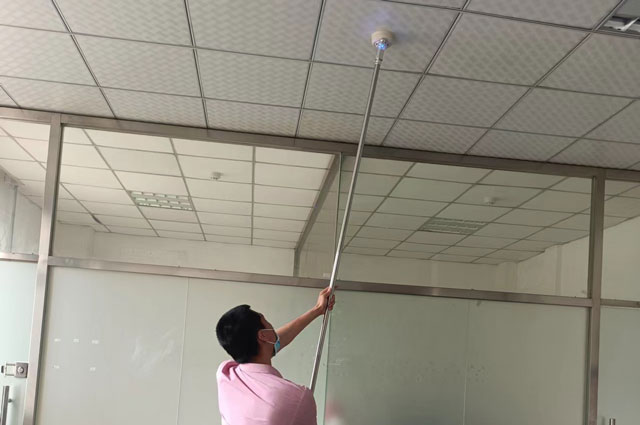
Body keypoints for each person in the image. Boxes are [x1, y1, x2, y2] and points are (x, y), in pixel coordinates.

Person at [215, 287, 336, 425]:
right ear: (263, 335)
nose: (270, 324)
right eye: (265, 320)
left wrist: (317, 310)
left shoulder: (225, 374)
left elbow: (274, 342)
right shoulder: (296, 398)